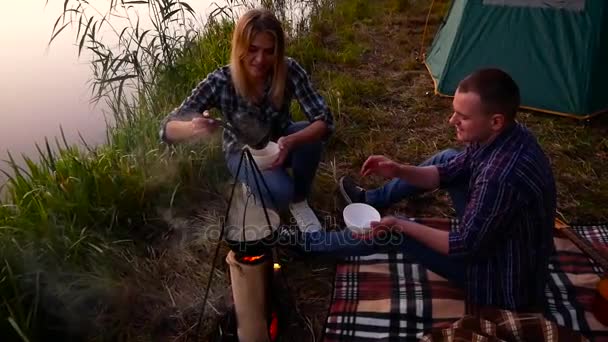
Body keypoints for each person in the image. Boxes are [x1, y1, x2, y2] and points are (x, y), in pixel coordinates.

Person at [288, 68, 556, 311]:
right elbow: (447, 173)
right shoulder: (503, 134)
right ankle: (370, 199)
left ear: (496, 121)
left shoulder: (500, 177)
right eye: (454, 112)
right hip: (501, 245)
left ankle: (308, 243)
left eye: (462, 117)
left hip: (499, 282)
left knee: (391, 232)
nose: (452, 121)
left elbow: (463, 246)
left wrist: (400, 225)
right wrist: (399, 169)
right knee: (447, 158)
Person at [159, 8, 333, 232]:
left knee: (309, 137)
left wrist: (292, 141)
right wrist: (193, 127)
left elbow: (324, 120)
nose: (260, 60)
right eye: (252, 49)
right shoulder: (221, 81)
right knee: (281, 192)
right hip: (242, 153)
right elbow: (166, 128)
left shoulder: (289, 69)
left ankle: (299, 201)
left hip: (281, 141)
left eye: (269, 51)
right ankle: (256, 187)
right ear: (240, 46)